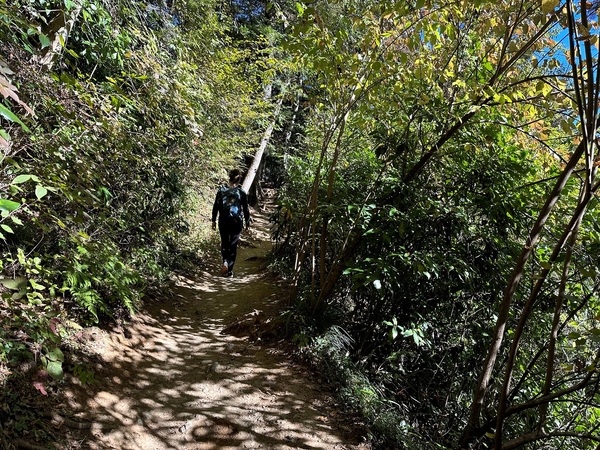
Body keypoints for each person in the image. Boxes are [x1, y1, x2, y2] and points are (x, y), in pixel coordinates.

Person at [211, 169, 250, 277]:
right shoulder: (241, 192)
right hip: (236, 221)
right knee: (233, 245)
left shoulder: (221, 190)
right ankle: (230, 271)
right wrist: (247, 223)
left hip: (223, 220)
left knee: (224, 242)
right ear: (239, 180)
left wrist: (213, 220)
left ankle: (225, 261)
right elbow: (246, 209)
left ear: (229, 178)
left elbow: (216, 206)